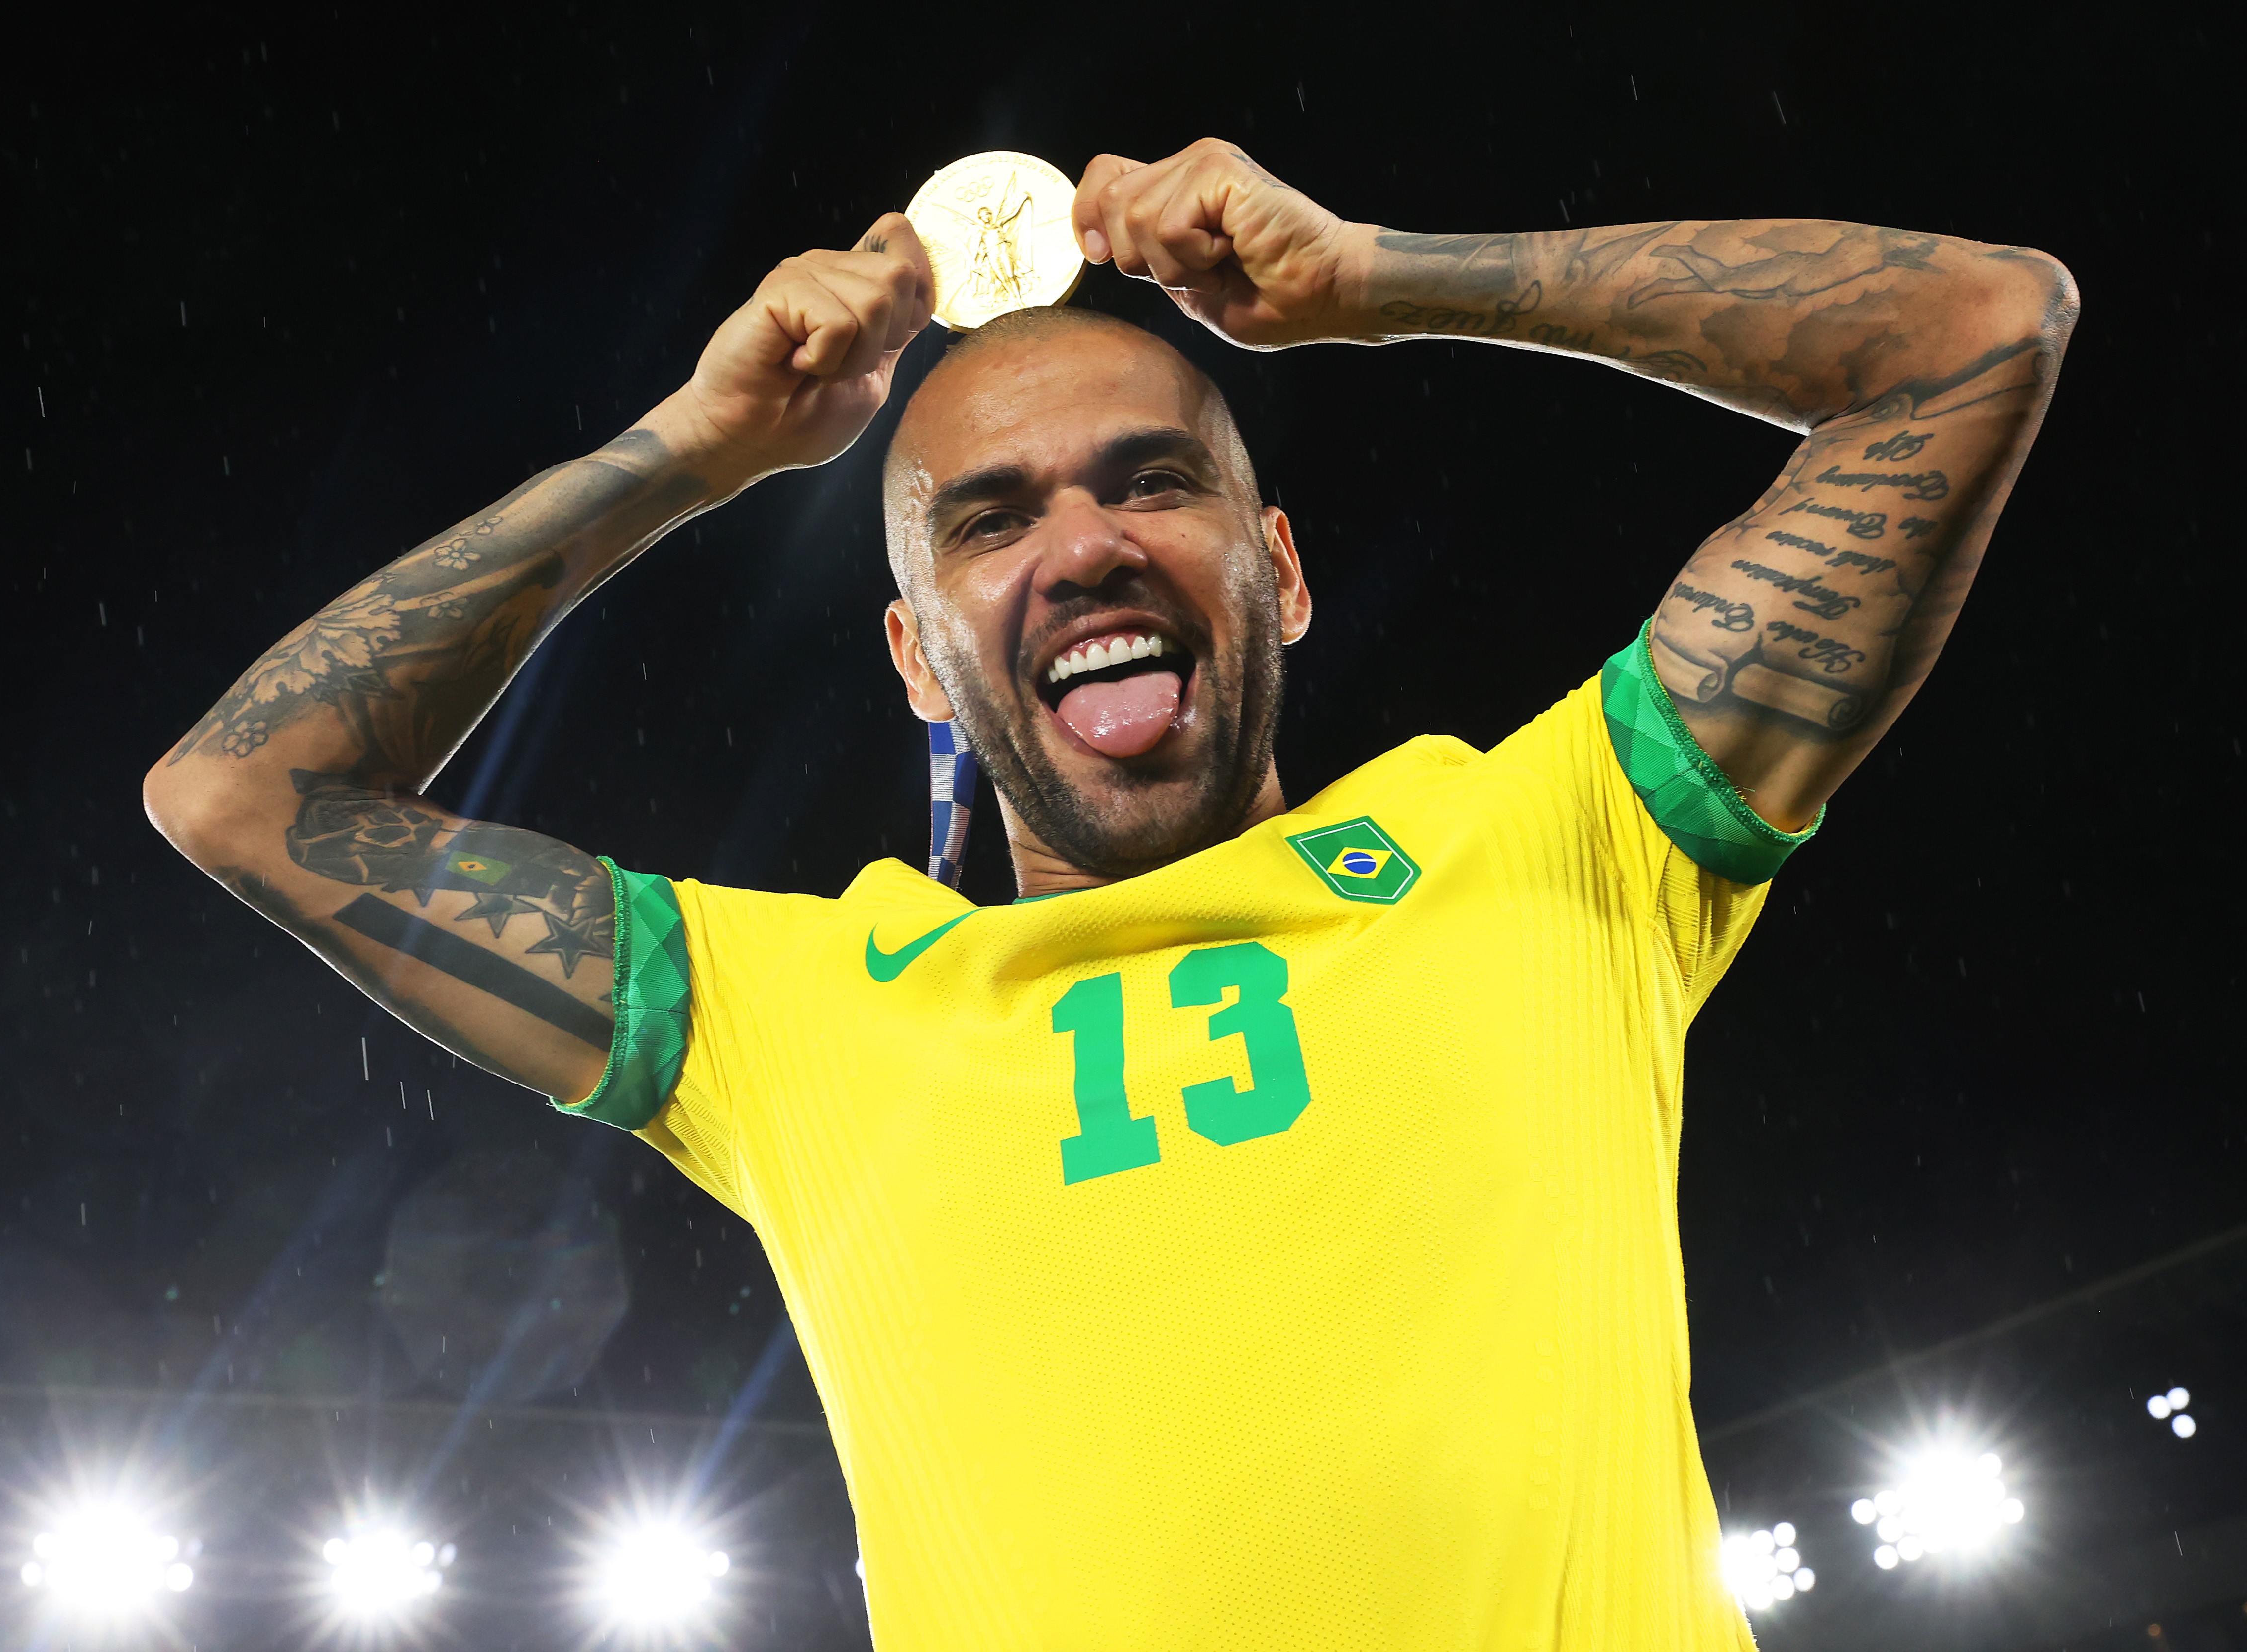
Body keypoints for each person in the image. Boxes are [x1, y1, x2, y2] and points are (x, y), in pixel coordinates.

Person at [143, 138, 2073, 1649]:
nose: (1081, 545)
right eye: (992, 519)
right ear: (916, 660)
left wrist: (1382, 284)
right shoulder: (795, 1012)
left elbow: (1980, 326)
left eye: (1152, 483)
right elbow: (240, 794)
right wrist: (695, 450)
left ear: (1285, 574)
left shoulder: (1557, 843)